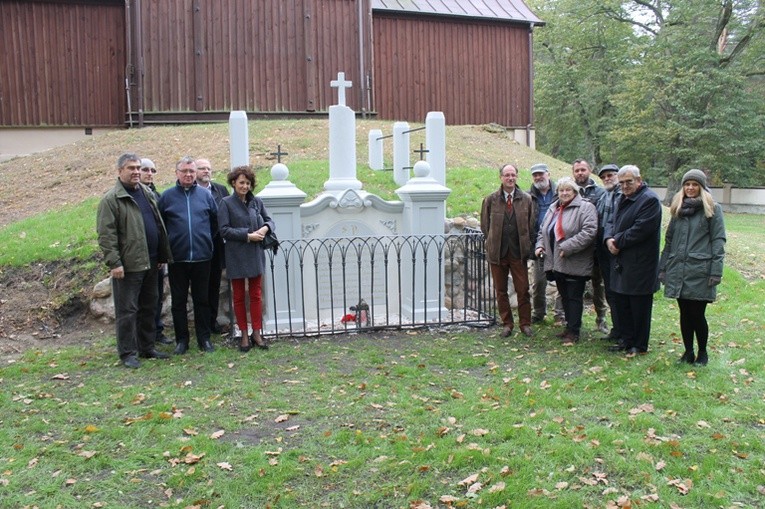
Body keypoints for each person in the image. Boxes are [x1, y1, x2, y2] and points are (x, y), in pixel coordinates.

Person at [97, 153, 171, 368]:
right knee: (127, 311)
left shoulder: (146, 193)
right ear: (120, 171)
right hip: (128, 265)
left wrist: (161, 255)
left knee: (150, 306)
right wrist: (115, 263)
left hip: (152, 261)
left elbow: (157, 224)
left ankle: (147, 347)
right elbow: (106, 235)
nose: (136, 171)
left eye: (138, 167)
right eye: (131, 168)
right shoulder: (111, 200)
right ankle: (127, 353)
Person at [659, 169, 726, 366]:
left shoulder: (713, 209)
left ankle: (703, 353)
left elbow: (718, 240)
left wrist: (716, 271)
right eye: (687, 184)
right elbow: (669, 242)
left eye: (694, 184)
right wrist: (663, 268)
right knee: (684, 313)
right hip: (678, 268)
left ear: (702, 187)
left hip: (700, 271)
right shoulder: (678, 209)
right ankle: (688, 352)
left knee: (697, 314)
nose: (690, 188)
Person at [159, 156, 219, 354]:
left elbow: (214, 222)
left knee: (202, 300)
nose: (188, 175)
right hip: (178, 258)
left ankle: (204, 339)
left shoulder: (206, 196)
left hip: (203, 257)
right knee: (178, 301)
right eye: (184, 171)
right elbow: (161, 227)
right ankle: (182, 341)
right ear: (177, 173)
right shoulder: (167, 197)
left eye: (191, 171)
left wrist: (206, 240)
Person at [604, 165, 662, 355]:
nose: (625, 186)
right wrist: (608, 239)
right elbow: (611, 222)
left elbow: (641, 229)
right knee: (622, 303)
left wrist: (617, 241)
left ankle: (639, 344)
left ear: (639, 180)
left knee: (639, 306)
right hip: (621, 261)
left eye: (629, 181)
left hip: (640, 263)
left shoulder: (649, 200)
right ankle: (626, 340)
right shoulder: (622, 198)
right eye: (621, 183)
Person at [217, 166, 275, 351]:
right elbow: (223, 230)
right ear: (233, 183)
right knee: (239, 296)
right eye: (241, 182)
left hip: (256, 254)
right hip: (236, 254)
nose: (245, 186)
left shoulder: (256, 202)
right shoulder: (225, 203)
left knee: (256, 295)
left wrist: (265, 228)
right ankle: (243, 333)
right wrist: (247, 236)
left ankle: (256, 332)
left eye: (248, 183)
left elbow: (269, 220)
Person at [534, 177, 598, 344]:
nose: (564, 193)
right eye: (561, 190)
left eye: (568, 190)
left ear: (575, 191)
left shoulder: (585, 208)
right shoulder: (553, 208)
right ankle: (569, 327)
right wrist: (540, 245)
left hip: (575, 260)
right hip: (556, 262)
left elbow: (589, 232)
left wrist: (567, 247)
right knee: (564, 295)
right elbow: (543, 230)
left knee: (574, 296)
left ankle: (574, 331)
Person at [480, 163, 536, 338]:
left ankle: (525, 324)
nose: (510, 178)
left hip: (518, 253)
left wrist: (526, 245)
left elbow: (531, 224)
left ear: (517, 177)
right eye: (507, 175)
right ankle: (507, 324)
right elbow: (485, 226)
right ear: (501, 177)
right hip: (498, 253)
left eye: (513, 175)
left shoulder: (526, 199)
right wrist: (494, 242)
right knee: (501, 290)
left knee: (523, 289)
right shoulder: (491, 200)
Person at [572, 158, 609, 333]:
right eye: (577, 170)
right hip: (577, 249)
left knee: (598, 285)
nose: (580, 173)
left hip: (595, 248)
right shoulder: (570, 191)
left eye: (583, 170)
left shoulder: (601, 193)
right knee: (572, 285)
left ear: (590, 170)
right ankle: (570, 319)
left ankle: (601, 319)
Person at [139, 158, 173, 345]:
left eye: (153, 170)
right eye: (145, 169)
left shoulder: (158, 196)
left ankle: (156, 332)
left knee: (157, 296)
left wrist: (162, 254)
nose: (149, 173)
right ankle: (142, 336)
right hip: (137, 257)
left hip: (156, 257)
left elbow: (162, 227)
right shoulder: (133, 196)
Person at [195, 158, 230, 334]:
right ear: (194, 171)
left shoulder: (220, 190)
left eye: (208, 168)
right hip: (197, 245)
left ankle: (212, 322)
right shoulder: (190, 191)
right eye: (202, 168)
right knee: (199, 287)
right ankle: (201, 324)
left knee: (214, 285)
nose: (206, 171)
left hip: (217, 246)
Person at [528, 163, 564, 325]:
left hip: (559, 243)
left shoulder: (560, 193)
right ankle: (538, 312)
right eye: (535, 175)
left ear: (548, 174)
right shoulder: (528, 196)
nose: (538, 177)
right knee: (538, 281)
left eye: (541, 174)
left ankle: (560, 314)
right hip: (539, 244)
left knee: (562, 280)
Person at [595, 164, 622, 343]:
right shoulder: (603, 195)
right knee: (610, 290)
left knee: (619, 290)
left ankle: (623, 329)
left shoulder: (623, 195)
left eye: (610, 175)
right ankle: (617, 328)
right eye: (603, 176)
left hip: (618, 247)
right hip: (603, 248)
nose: (607, 178)